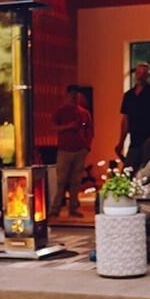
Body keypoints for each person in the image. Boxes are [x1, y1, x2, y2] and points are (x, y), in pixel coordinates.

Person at [117, 62, 150, 171]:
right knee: (128, 170)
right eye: (139, 73)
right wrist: (121, 141)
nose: (140, 75)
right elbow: (125, 119)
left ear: (148, 75)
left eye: (144, 73)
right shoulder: (129, 95)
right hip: (135, 138)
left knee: (148, 170)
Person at [52, 85, 93, 217]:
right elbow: (53, 128)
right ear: (67, 95)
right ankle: (55, 208)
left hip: (80, 150)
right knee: (61, 180)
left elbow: (89, 130)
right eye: (73, 94)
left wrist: (87, 146)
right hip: (64, 150)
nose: (75, 97)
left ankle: (73, 208)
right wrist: (67, 126)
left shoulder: (84, 113)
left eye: (77, 95)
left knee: (76, 181)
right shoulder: (60, 111)